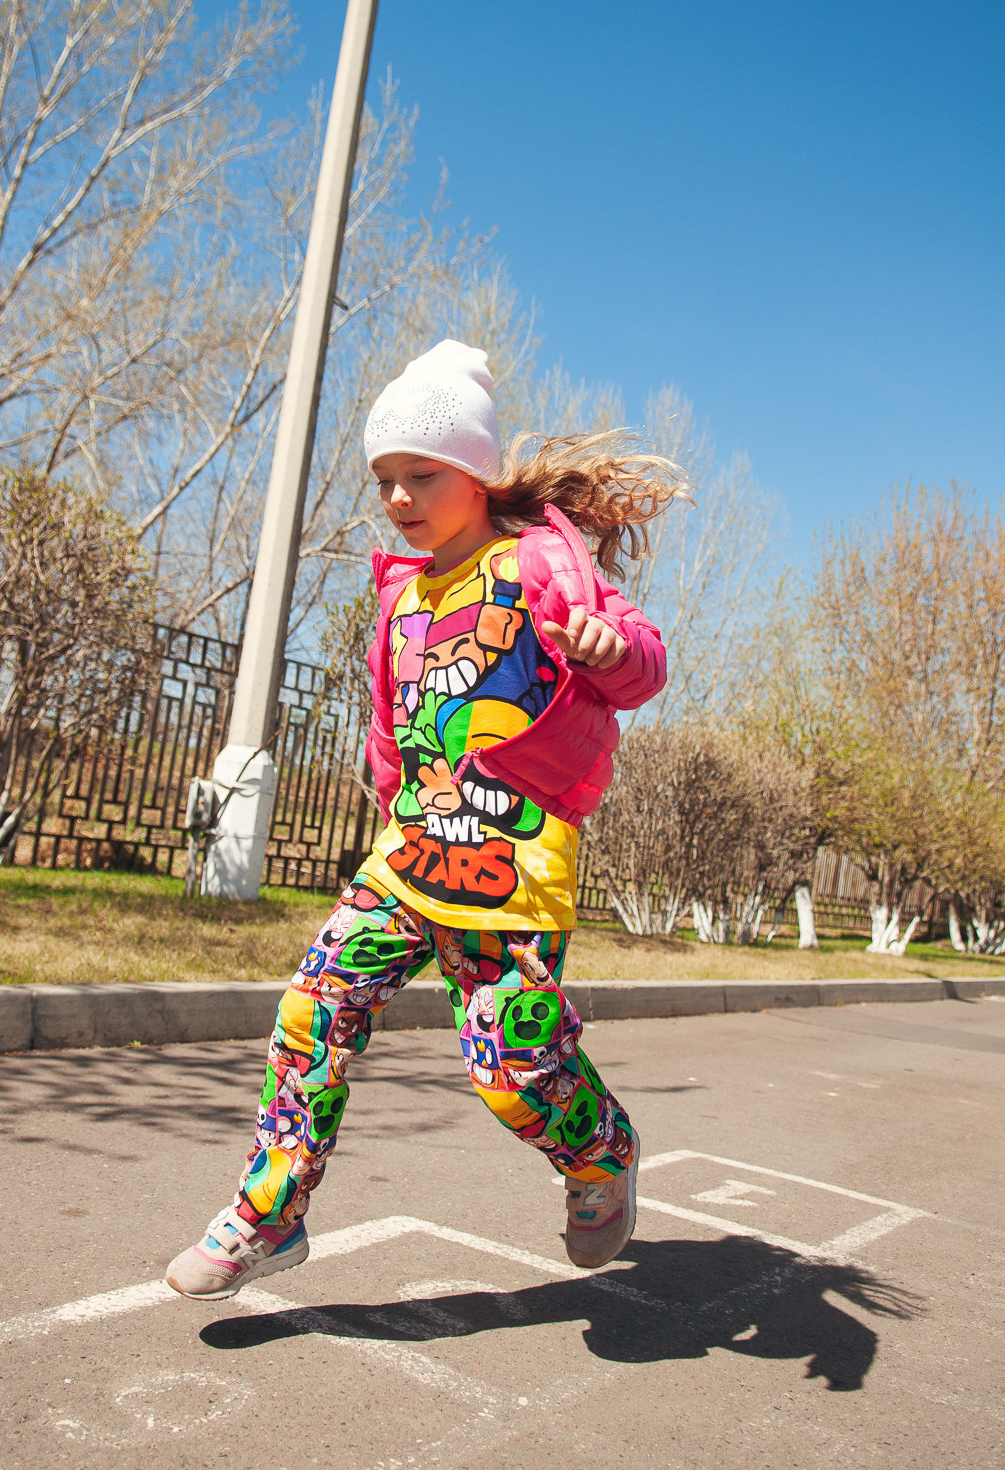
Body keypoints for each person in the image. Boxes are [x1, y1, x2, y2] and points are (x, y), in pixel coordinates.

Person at [166, 339, 680, 1301]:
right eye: (385, 479)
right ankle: (270, 1212)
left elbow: (641, 665)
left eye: (422, 474)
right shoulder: (402, 596)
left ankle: (601, 1155)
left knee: (515, 1075)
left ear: (476, 474)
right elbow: (392, 721)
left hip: (512, 869)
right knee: (310, 1016)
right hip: (407, 857)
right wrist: (387, 775)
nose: (399, 497)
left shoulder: (538, 564)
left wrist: (610, 648)